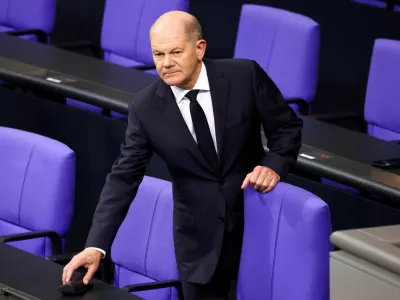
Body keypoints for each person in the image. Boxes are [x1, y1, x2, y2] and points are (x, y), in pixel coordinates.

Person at [62, 10, 303, 299]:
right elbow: (123, 177)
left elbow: (287, 127)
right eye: (158, 54)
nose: (166, 63)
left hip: (257, 227)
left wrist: (274, 165)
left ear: (199, 48)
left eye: (175, 52)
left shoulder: (244, 76)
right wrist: (95, 246)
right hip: (198, 245)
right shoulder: (146, 107)